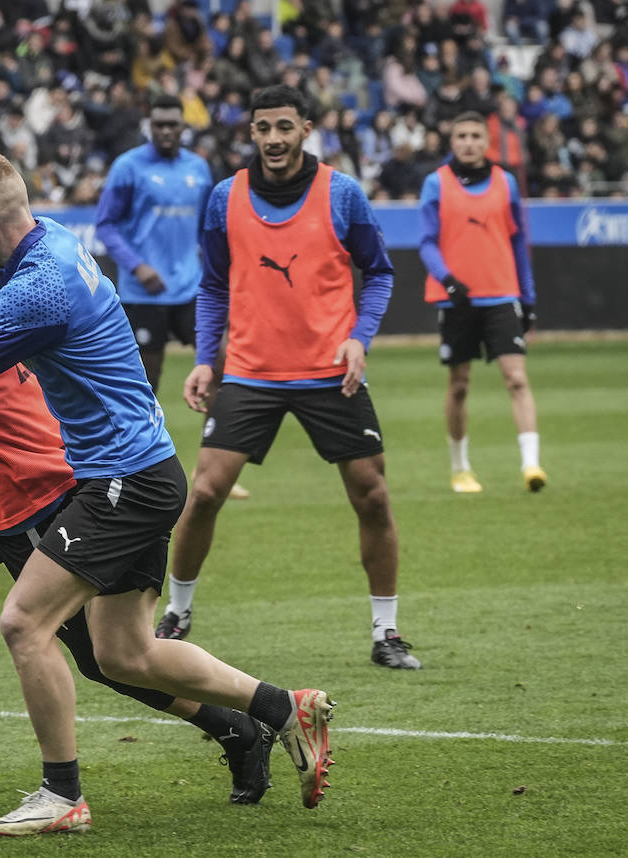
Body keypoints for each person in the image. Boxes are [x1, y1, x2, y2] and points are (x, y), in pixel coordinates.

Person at [0, 154, 335, 835]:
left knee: (24, 624)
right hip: (134, 472)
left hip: (119, 482)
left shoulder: (38, 291)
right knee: (122, 654)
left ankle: (61, 794)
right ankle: (281, 710)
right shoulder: (45, 244)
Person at [165, 86, 421, 671]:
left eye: (285, 126)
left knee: (373, 497)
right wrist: (207, 358)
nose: (274, 139)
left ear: (307, 128)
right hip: (251, 374)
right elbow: (212, 286)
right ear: (250, 133)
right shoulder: (224, 198)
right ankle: (177, 615)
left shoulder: (343, 194)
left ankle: (387, 633)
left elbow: (379, 273)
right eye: (262, 128)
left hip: (331, 374)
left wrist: (360, 337)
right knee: (203, 494)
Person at [96, 94, 250, 512]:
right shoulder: (128, 168)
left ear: (183, 127)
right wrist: (137, 265)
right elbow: (106, 226)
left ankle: (213, 471)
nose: (167, 131)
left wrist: (215, 268)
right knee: (145, 384)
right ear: (151, 125)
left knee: (222, 364)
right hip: (142, 293)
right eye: (160, 124)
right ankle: (138, 472)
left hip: (190, 289)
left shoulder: (197, 168)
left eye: (173, 125)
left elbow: (207, 229)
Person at [418, 111, 546, 495]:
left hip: (502, 295)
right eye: (462, 135)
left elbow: (518, 242)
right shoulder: (435, 184)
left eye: (476, 135)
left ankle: (531, 465)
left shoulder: (505, 183)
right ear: (451, 141)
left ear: (486, 140)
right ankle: (460, 468)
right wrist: (448, 280)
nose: (470, 142)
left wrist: (529, 297)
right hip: (457, 299)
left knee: (517, 379)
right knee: (459, 386)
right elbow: (426, 241)